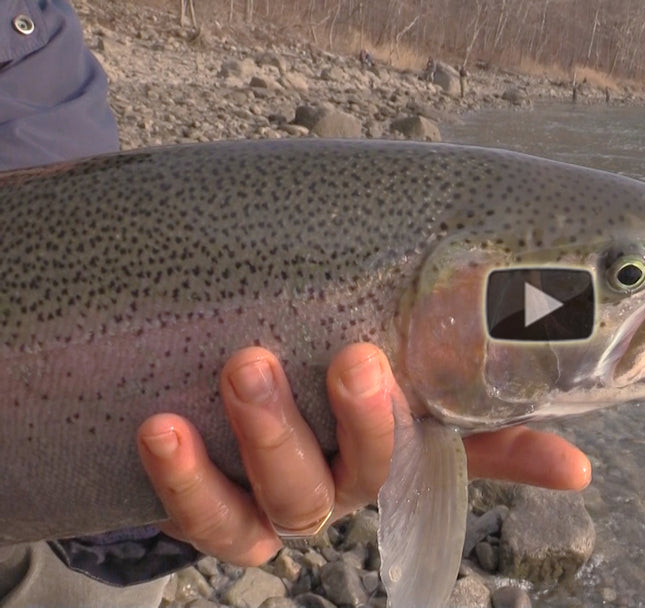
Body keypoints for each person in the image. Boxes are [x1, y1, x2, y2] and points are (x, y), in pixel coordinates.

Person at [0, 2, 591, 606]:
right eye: (623, 276)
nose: (583, 307)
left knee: (114, 590)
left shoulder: (35, 39)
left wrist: (159, 518)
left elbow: (78, 255)